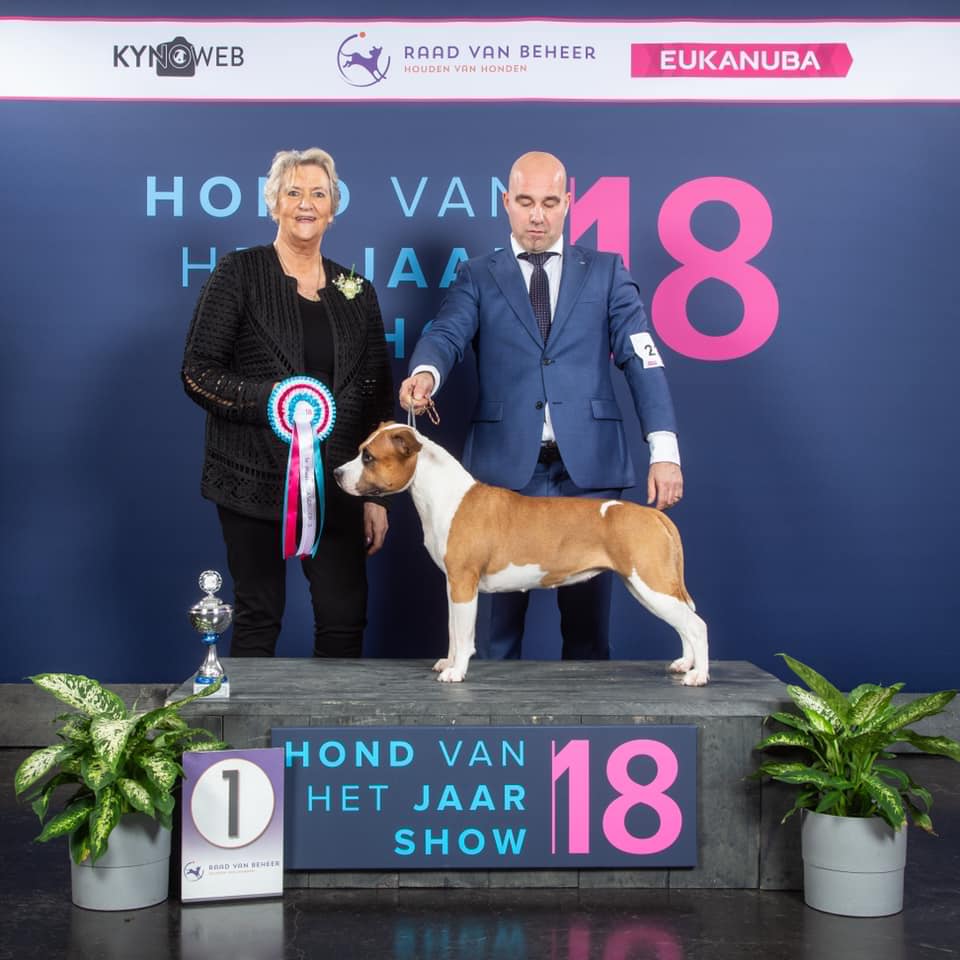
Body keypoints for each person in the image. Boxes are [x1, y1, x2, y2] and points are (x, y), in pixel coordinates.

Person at [399, 150, 682, 661]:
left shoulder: (607, 272)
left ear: (568, 203)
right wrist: (427, 372)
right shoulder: (477, 275)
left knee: (588, 637)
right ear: (506, 202)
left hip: (589, 472)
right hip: (504, 476)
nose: (537, 215)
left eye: (550, 203)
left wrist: (664, 451)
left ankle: (590, 712)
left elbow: (643, 359)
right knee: (497, 639)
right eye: (526, 202)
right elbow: (446, 333)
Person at [182, 147, 393, 658]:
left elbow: (376, 396)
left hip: (340, 482)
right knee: (258, 615)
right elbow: (198, 371)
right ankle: (255, 715)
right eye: (293, 192)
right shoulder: (238, 273)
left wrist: (376, 495)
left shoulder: (357, 291)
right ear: (273, 201)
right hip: (251, 476)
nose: (306, 204)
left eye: (318, 193)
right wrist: (273, 399)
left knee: (345, 618)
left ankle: (335, 715)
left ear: (333, 208)